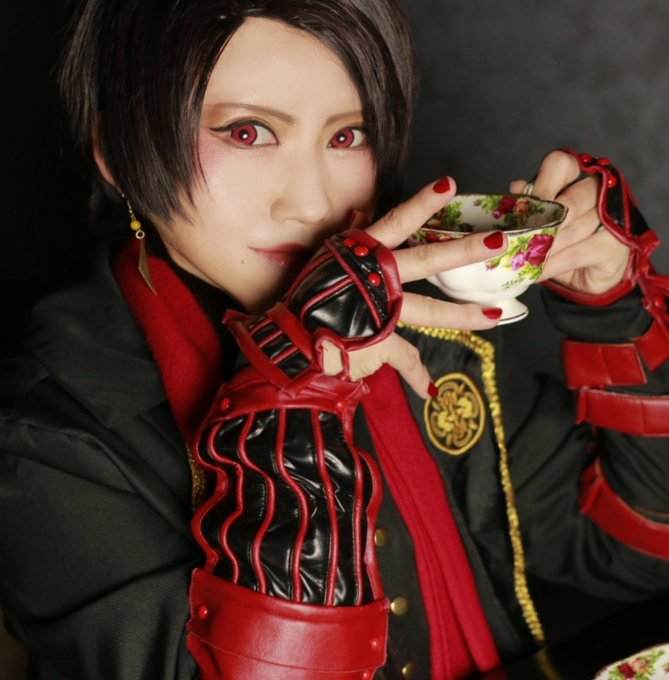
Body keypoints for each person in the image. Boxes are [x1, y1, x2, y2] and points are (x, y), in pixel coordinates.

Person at [1, 0, 668, 678]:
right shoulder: (50, 431)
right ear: (118, 153)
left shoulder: (419, 326)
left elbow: (634, 550)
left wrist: (612, 308)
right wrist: (295, 392)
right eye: (248, 132)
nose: (313, 204)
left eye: (348, 136)